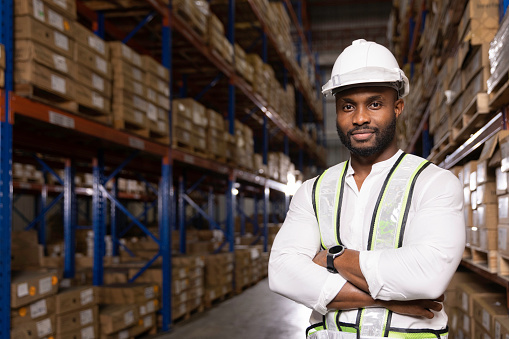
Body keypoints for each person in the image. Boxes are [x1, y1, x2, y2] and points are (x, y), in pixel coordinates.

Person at [268, 39, 465, 339]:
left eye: (374, 104)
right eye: (348, 106)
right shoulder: (313, 191)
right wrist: (390, 299)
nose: (359, 118)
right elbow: (282, 273)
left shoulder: (433, 183)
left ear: (397, 107)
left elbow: (427, 277)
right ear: (336, 111)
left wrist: (332, 258)